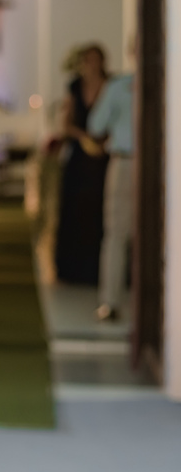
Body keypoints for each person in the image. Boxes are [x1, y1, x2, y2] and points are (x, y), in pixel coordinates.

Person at [55, 44, 109, 285]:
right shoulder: (74, 87)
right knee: (75, 208)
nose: (92, 64)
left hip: (103, 152)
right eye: (88, 60)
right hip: (79, 152)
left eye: (96, 59)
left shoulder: (111, 84)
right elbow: (65, 123)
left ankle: (100, 268)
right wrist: (82, 137)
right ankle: (73, 268)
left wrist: (102, 141)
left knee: (100, 208)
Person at [88, 58, 135, 322]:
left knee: (116, 233)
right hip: (160, 165)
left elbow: (96, 125)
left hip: (126, 162)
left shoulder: (120, 86)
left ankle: (110, 302)